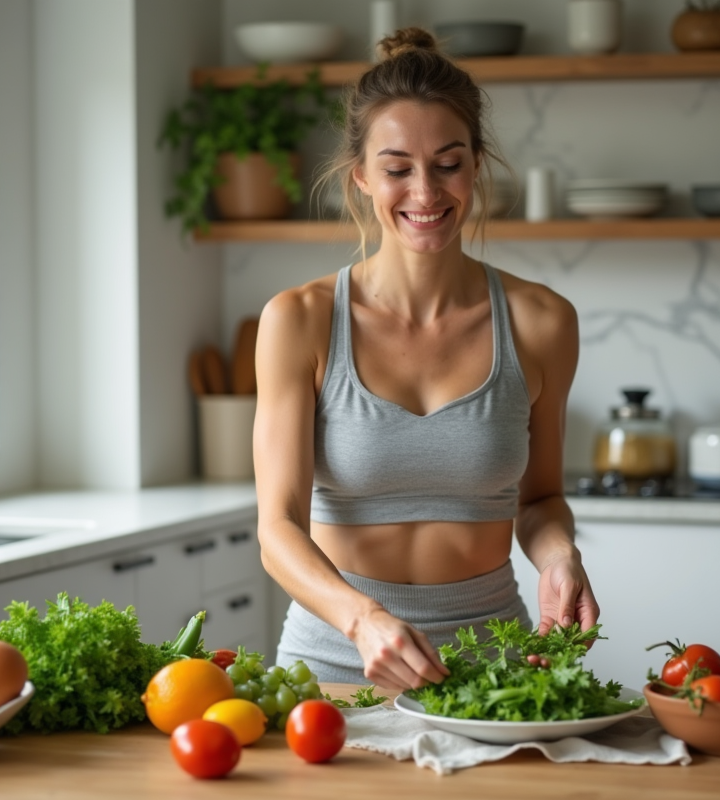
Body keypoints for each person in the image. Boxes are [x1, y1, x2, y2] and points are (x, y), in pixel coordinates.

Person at [253, 27, 598, 692]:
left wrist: (559, 557)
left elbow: (541, 499)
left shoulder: (542, 322)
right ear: (360, 175)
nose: (425, 192)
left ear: (477, 165)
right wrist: (362, 620)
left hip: (493, 674)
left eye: (447, 164)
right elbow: (278, 528)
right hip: (334, 669)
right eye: (397, 169)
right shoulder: (299, 320)